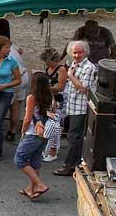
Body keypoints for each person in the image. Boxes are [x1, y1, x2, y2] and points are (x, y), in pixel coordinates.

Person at [53, 41, 96, 177]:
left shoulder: (89, 67)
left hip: (81, 108)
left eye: (79, 52)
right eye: (74, 52)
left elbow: (84, 88)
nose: (76, 55)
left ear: (85, 53)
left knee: (74, 137)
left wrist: (70, 76)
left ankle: (70, 165)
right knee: (73, 137)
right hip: (72, 106)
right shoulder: (74, 64)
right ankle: (74, 164)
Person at [14, 74, 56, 200]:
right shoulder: (51, 97)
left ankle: (39, 185)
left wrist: (22, 132)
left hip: (33, 133)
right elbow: (53, 113)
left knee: (19, 159)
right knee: (35, 162)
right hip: (45, 134)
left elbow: (27, 119)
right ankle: (30, 189)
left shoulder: (32, 98)